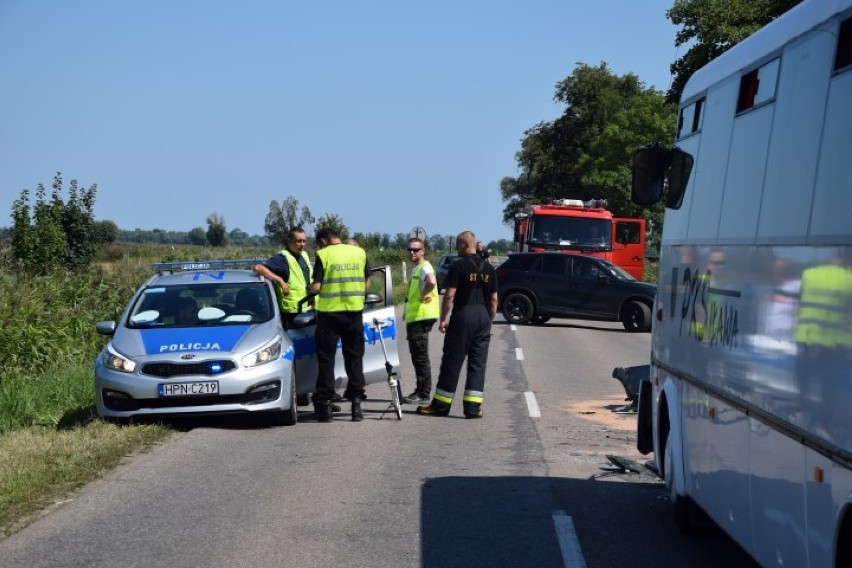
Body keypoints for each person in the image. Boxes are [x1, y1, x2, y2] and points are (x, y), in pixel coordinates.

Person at [417, 230, 498, 419]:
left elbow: (450, 295)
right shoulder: (489, 269)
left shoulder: (458, 266)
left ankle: (440, 406)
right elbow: (494, 299)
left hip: (463, 316)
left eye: (458, 245)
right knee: (478, 364)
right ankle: (472, 408)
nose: (457, 249)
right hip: (483, 316)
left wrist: (443, 318)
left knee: (452, 362)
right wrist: (489, 321)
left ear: (464, 245)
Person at [310, 227, 371, 422]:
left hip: (329, 313)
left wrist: (309, 290)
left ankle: (326, 407)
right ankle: (356, 406)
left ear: (323, 241)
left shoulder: (324, 254)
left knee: (326, 360)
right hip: (353, 312)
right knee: (354, 358)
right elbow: (366, 282)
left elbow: (317, 287)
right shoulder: (359, 252)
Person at [402, 238, 439, 405]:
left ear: (423, 251)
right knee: (418, 356)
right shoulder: (416, 268)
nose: (412, 252)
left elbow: (431, 281)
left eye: (416, 250)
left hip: (421, 316)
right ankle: (422, 390)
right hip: (418, 317)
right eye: (410, 249)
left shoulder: (425, 267)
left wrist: (424, 294)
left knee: (420, 357)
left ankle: (423, 393)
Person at [255, 227, 312, 328]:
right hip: (292, 313)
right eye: (298, 241)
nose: (302, 244)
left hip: (308, 308)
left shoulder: (304, 255)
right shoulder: (282, 258)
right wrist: (280, 280)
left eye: (304, 241)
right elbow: (258, 268)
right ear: (289, 241)